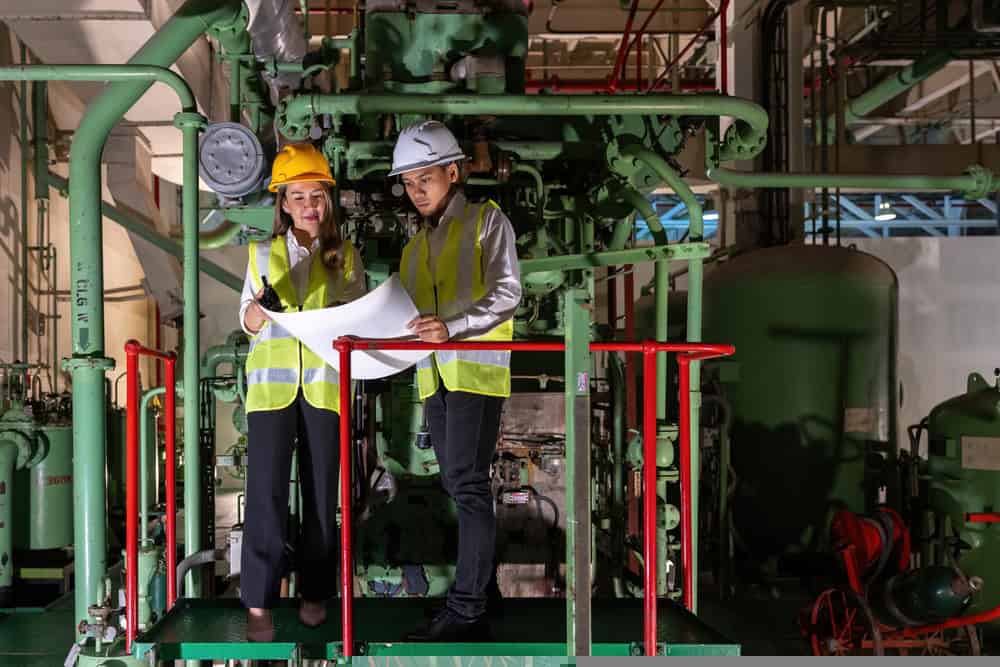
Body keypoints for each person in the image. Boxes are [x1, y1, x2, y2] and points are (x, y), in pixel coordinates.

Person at [391, 121, 522, 641]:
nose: (415, 189)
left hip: (474, 372)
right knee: (457, 486)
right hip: (434, 380)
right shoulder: (412, 248)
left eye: (425, 177)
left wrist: (455, 328)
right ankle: (481, 596)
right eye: (407, 181)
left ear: (453, 172)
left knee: (469, 488)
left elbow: (508, 292)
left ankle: (467, 607)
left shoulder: (488, 222)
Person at [238, 143, 367, 641]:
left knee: (321, 499)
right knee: (265, 496)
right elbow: (246, 323)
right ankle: (259, 602)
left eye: (316, 195)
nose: (309, 204)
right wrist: (262, 307)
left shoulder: (345, 255)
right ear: (284, 204)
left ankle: (315, 593)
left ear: (326, 201)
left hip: (322, 390)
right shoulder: (260, 254)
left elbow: (359, 316)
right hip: (271, 394)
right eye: (298, 196)